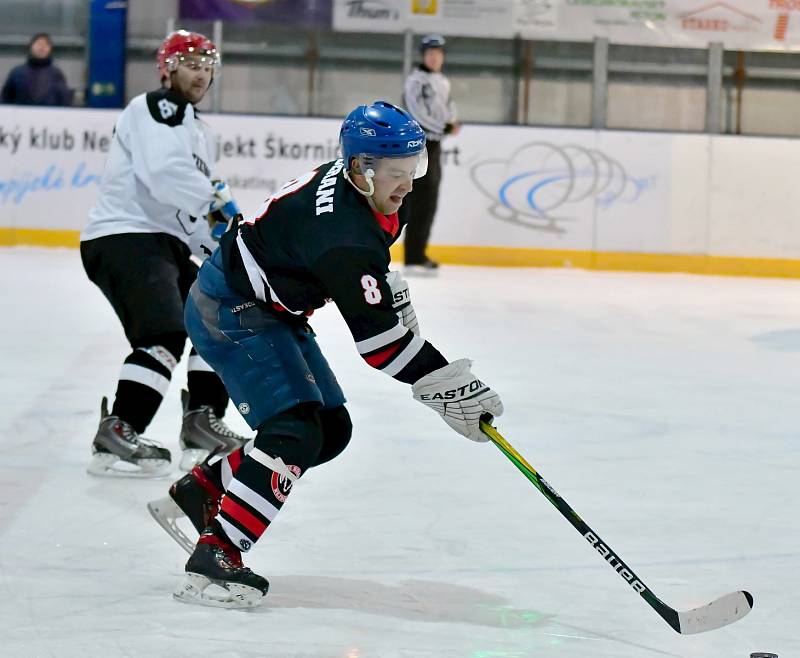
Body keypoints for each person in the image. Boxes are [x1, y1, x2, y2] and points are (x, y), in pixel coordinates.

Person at [147, 100, 504, 608]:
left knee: (330, 430)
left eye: (414, 170)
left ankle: (203, 489)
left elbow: (364, 295)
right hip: (230, 307)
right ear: (360, 169)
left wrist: (381, 298)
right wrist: (446, 383)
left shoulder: (366, 198)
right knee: (294, 431)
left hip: (268, 305)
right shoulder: (344, 234)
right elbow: (381, 348)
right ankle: (217, 551)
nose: (407, 186)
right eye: (397, 174)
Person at [80, 30, 247, 478]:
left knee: (219, 317)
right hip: (125, 236)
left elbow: (190, 216)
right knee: (164, 332)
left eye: (208, 63)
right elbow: (163, 174)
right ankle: (121, 428)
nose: (201, 71)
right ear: (167, 69)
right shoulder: (157, 108)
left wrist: (227, 248)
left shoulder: (200, 131)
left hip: (164, 243)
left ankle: (201, 422)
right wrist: (215, 203)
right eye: (191, 62)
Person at [401, 34, 460, 274]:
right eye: (430, 53)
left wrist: (451, 123)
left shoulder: (443, 81)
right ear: (424, 56)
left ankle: (418, 253)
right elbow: (416, 112)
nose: (435, 57)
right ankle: (412, 256)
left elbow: (450, 109)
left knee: (430, 200)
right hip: (418, 144)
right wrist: (443, 127)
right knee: (418, 201)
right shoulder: (416, 81)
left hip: (435, 146)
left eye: (438, 53)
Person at [1, 32, 73, 106]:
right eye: (38, 44)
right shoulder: (17, 73)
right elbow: (5, 99)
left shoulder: (56, 74)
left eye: (45, 45)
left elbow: (64, 100)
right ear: (31, 47)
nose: (41, 48)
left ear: (50, 49)